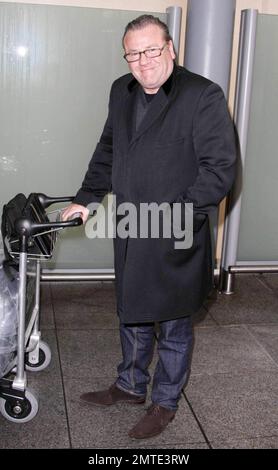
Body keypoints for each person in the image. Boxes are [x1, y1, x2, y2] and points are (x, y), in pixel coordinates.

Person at [62, 15, 236, 439]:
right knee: (132, 311)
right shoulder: (120, 91)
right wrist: (86, 197)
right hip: (129, 226)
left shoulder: (202, 95)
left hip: (176, 231)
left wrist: (175, 215)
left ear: (171, 49)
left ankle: (165, 402)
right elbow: (108, 149)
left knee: (174, 325)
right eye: (133, 54)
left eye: (151, 51)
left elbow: (220, 170)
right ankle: (129, 385)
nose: (142, 62)